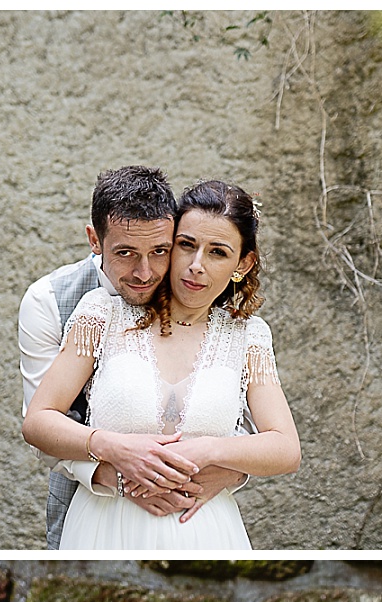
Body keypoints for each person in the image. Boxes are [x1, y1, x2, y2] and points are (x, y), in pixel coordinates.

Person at [23, 179, 297, 549]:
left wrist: (212, 451)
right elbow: (38, 422)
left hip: (206, 530)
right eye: (186, 246)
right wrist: (112, 448)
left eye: (217, 252)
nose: (196, 266)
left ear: (242, 264)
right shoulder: (101, 313)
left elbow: (285, 449)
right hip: (105, 524)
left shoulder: (248, 336)